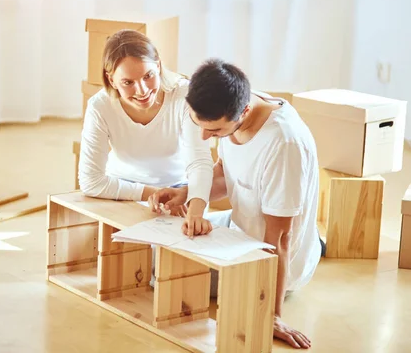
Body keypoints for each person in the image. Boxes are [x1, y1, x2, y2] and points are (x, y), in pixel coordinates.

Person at [149, 58, 323, 350]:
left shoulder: (283, 144)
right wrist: (186, 193)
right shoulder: (236, 104)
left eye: (214, 132)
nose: (205, 137)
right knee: (154, 252)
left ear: (243, 112)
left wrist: (271, 314)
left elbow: (280, 237)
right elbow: (226, 175)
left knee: (163, 277)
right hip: (240, 226)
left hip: (270, 254)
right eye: (198, 125)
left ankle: (313, 247)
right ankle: (317, 240)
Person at [78, 29, 214, 236]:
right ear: (112, 80)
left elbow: (200, 161)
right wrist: (153, 194)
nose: (142, 90)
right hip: (123, 189)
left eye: (148, 76)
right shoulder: (100, 106)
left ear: (158, 66)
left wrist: (191, 203)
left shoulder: (184, 95)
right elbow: (91, 181)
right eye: (128, 82)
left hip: (180, 190)